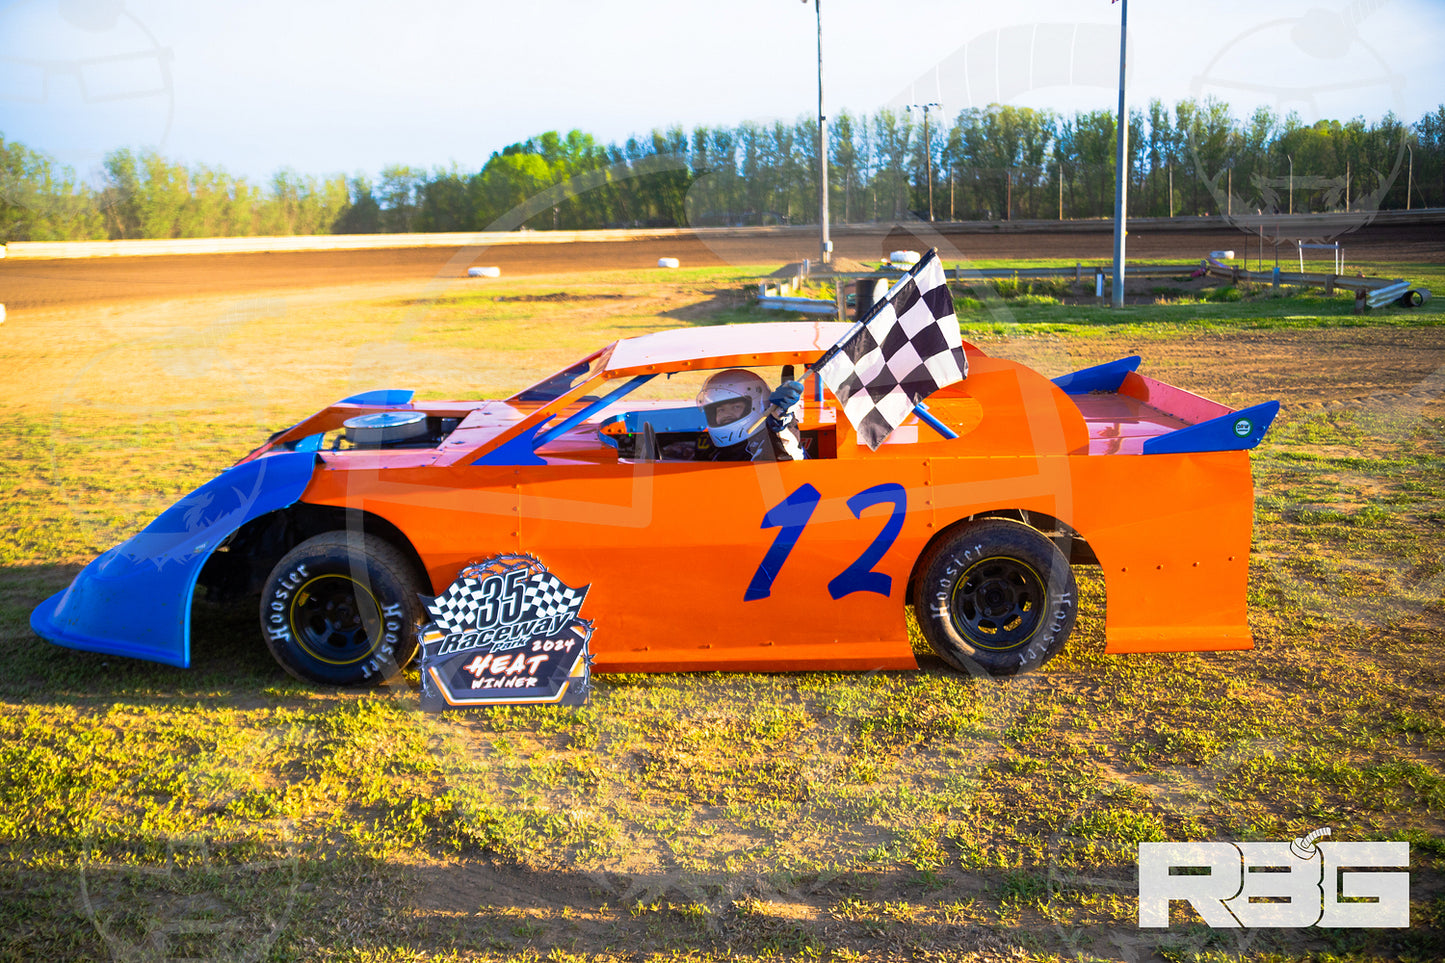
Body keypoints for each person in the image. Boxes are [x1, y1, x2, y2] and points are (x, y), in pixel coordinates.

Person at [694, 369, 807, 462]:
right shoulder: (710, 450)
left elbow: (787, 452)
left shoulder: (769, 443)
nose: (727, 414)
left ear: (758, 406)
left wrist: (781, 419)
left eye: (736, 407)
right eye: (720, 409)